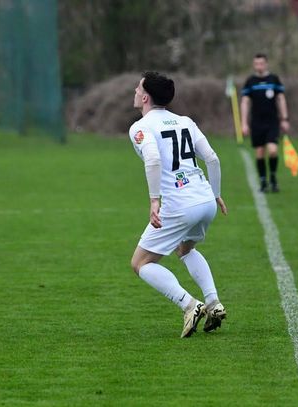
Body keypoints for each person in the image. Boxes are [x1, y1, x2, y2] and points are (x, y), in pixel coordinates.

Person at [129, 71, 228, 338]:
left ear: (146, 97)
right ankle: (213, 303)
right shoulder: (185, 121)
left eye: (138, 88)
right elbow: (212, 159)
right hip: (204, 199)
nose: (135, 91)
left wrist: (154, 200)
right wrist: (216, 194)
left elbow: (153, 160)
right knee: (185, 249)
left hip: (179, 204)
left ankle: (189, 305)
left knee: (140, 263)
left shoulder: (140, 127)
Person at [240, 53, 290, 193]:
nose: (259, 66)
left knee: (273, 150)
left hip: (272, 121)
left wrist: (285, 119)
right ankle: (263, 181)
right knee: (260, 152)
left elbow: (281, 99)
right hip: (256, 122)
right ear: (253, 65)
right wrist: (244, 123)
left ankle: (273, 177)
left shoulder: (274, 79)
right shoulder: (250, 81)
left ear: (266, 64)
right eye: (256, 64)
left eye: (261, 63)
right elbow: (245, 102)